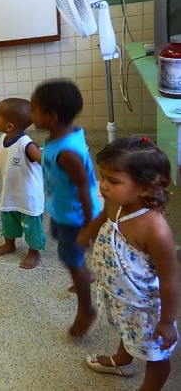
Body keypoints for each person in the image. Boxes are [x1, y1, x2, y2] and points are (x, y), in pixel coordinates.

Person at [80, 137, 178, 390]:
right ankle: (123, 361)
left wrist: (167, 322)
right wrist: (87, 233)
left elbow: (169, 280)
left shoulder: (155, 230)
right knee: (127, 330)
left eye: (113, 181)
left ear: (145, 188)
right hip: (120, 296)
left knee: (155, 355)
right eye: (103, 176)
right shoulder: (117, 201)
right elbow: (105, 215)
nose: (103, 185)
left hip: (145, 308)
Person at [31, 79, 102, 337]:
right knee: (68, 253)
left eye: (34, 109)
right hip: (61, 209)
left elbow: (84, 190)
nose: (30, 114)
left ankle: (86, 310)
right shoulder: (62, 136)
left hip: (75, 218)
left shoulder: (68, 153)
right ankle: (83, 272)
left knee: (71, 262)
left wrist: (88, 228)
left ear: (51, 117)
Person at [0, 98, 45, 268]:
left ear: (10, 126)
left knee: (31, 226)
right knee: (8, 221)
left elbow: (45, 161)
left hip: (29, 197)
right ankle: (9, 244)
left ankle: (34, 252)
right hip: (10, 193)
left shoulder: (27, 144)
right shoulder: (4, 138)